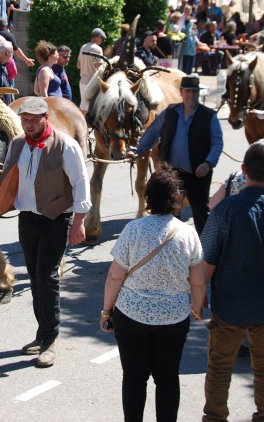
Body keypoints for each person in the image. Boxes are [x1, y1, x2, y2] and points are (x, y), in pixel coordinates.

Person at [0, 97, 90, 367]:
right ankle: (42, 333)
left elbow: (80, 183)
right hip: (28, 219)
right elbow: (4, 182)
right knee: (36, 279)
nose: (27, 125)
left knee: (46, 278)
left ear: (45, 118)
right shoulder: (17, 144)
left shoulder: (66, 145)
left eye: (33, 120)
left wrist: (79, 221)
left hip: (56, 219)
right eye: (24, 120)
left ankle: (50, 340)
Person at [200, 139, 264, 422]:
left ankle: (215, 417)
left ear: (243, 170)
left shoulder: (225, 210)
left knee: (220, 366)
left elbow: (207, 261)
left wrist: (199, 297)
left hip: (228, 303)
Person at [101, 165, 205, 422]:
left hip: (131, 315)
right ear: (177, 200)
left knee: (134, 378)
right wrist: (197, 307)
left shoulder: (133, 230)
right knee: (168, 378)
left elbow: (115, 276)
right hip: (173, 317)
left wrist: (107, 311)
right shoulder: (188, 233)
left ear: (148, 198)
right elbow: (198, 281)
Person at [128, 74, 223, 236]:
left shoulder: (208, 116)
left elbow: (217, 143)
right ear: (181, 93)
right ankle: (174, 247)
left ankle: (206, 251)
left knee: (200, 212)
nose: (191, 95)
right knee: (170, 213)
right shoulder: (170, 112)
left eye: (194, 92)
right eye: (188, 92)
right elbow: (152, 133)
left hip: (198, 174)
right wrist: (137, 150)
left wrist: (208, 163)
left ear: (198, 93)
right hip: (173, 174)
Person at [78, 28, 106, 112]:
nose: (101, 41)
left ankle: (82, 125)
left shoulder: (83, 47)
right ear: (98, 37)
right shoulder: (98, 49)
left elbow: (78, 65)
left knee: (83, 107)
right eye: (102, 39)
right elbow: (100, 68)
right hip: (92, 82)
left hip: (82, 81)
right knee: (92, 108)